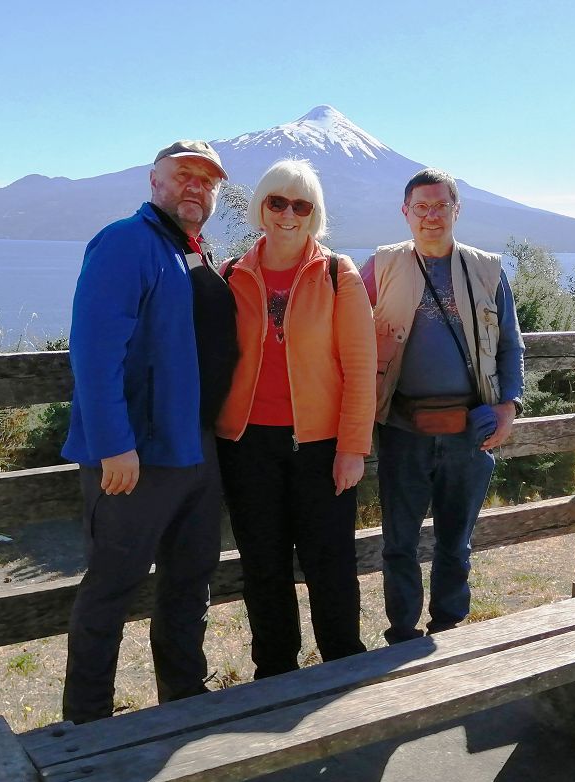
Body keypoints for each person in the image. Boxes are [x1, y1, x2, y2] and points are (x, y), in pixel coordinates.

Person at [60, 139, 237, 723]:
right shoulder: (125, 242)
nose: (196, 188)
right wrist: (114, 444)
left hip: (194, 449)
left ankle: (182, 703)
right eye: (184, 175)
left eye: (207, 181)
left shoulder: (190, 251)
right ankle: (88, 724)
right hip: (135, 455)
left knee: (190, 581)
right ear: (154, 180)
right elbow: (94, 351)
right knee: (112, 588)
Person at [216, 158, 376, 679]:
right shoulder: (231, 274)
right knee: (263, 567)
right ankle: (275, 674)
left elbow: (360, 367)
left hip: (321, 447)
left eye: (301, 205)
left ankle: (342, 669)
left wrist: (353, 448)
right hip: (246, 446)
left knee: (330, 564)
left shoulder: (337, 273)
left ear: (315, 214)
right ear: (261, 207)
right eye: (277, 202)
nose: (288, 214)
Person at [360, 167, 524, 644]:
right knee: (399, 544)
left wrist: (509, 406)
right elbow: (345, 332)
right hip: (401, 428)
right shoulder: (381, 266)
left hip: (470, 429)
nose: (431, 216)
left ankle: (449, 631)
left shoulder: (487, 269)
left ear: (457, 210)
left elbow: (510, 344)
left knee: (456, 543)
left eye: (441, 206)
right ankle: (402, 635)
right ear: (405, 212)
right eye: (422, 207)